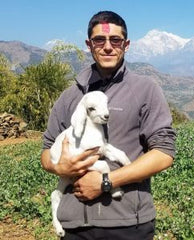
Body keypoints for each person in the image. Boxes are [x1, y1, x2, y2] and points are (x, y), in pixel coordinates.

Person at [41, 11, 176, 240]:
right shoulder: (69, 97)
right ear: (89, 44)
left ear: (126, 44)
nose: (107, 47)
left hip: (128, 225)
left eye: (115, 40)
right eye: (99, 40)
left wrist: (107, 181)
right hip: (73, 226)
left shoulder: (145, 90)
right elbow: (46, 152)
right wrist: (60, 168)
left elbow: (164, 153)